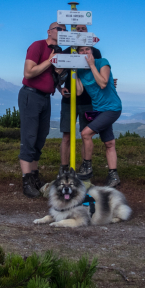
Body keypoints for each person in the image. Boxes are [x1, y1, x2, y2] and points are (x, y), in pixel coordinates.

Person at [18, 22, 66, 198]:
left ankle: (35, 176)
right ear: (49, 31)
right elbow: (28, 73)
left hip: (46, 98)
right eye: (59, 29)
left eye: (64, 30)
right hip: (31, 95)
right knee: (29, 137)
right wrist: (49, 61)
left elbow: (53, 75)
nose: (62, 32)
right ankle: (26, 180)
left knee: (40, 136)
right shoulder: (37, 46)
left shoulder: (58, 50)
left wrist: (61, 89)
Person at [58, 24, 102, 177]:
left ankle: (85, 169)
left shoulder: (95, 51)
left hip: (89, 101)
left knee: (86, 135)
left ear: (88, 31)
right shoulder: (67, 51)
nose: (80, 31)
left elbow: (100, 72)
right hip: (69, 100)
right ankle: (64, 169)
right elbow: (56, 72)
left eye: (83, 28)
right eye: (77, 28)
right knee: (66, 136)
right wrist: (59, 88)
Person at [75, 45, 122, 187]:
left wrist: (91, 65)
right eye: (81, 50)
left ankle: (87, 167)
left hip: (112, 108)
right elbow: (78, 92)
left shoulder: (102, 62)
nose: (84, 52)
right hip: (98, 109)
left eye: (87, 49)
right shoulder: (81, 71)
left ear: (92, 51)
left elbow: (103, 83)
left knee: (85, 134)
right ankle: (114, 176)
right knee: (109, 143)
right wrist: (75, 73)